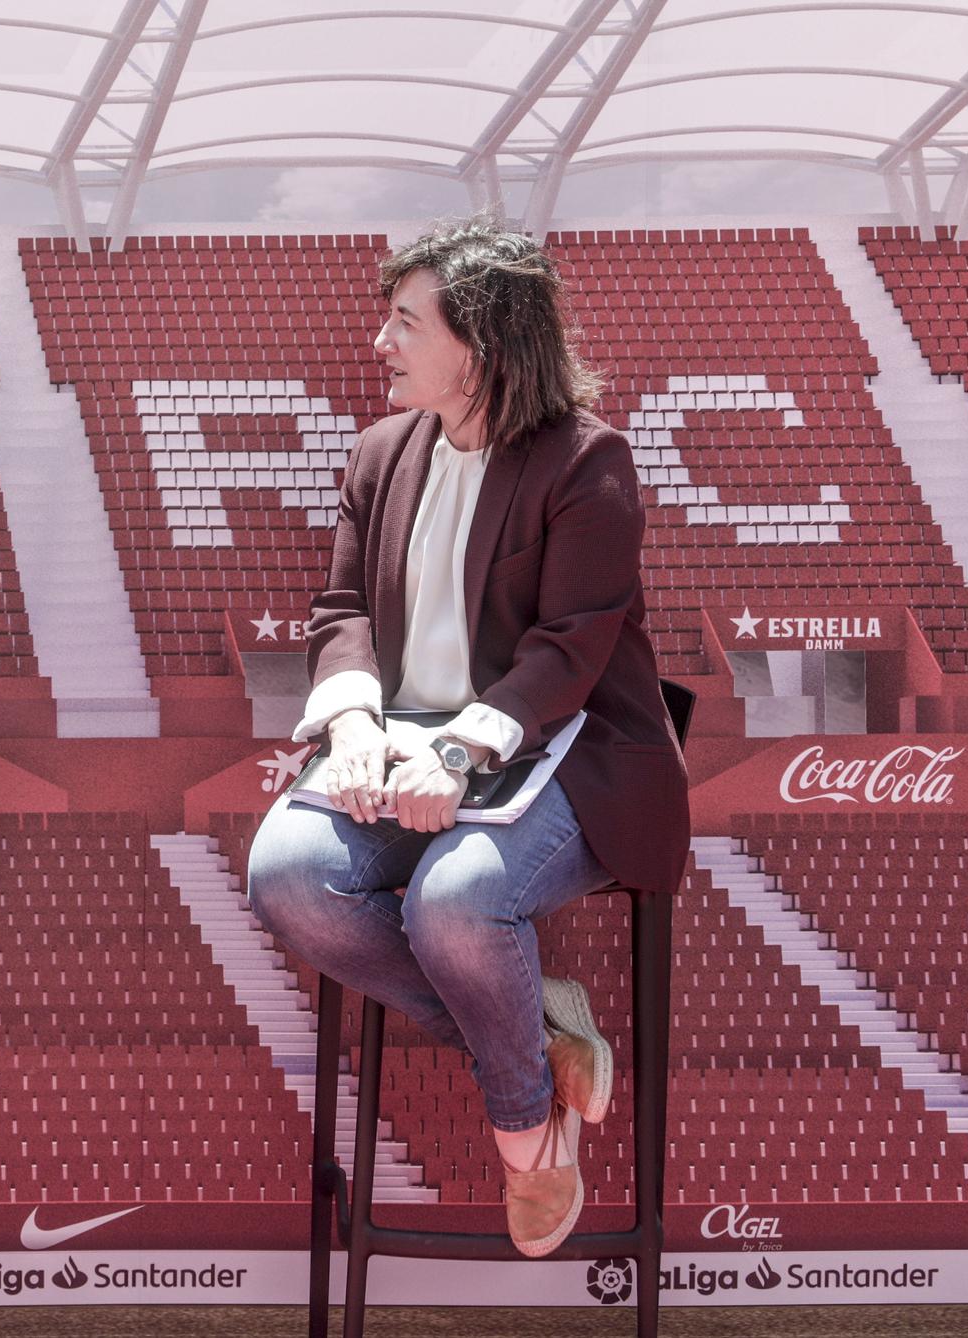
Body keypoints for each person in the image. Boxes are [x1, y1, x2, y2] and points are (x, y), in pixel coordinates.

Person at [246, 220, 689, 1257]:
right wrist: (353, 723)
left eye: (404, 322)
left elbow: (568, 647)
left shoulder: (586, 461)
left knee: (457, 898)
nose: (379, 344)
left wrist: (456, 752)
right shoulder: (378, 451)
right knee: (286, 874)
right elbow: (340, 609)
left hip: (567, 750)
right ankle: (533, 1030)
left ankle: (524, 1139)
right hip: (400, 743)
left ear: (481, 344)